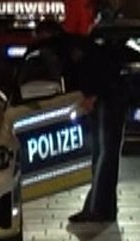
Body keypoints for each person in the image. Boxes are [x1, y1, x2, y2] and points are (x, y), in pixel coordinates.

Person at [44, 31, 130, 225]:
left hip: (107, 99)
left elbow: (95, 71)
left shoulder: (71, 50)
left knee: (104, 155)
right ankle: (103, 208)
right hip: (109, 97)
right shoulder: (76, 46)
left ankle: (97, 209)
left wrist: (91, 95)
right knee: (104, 155)